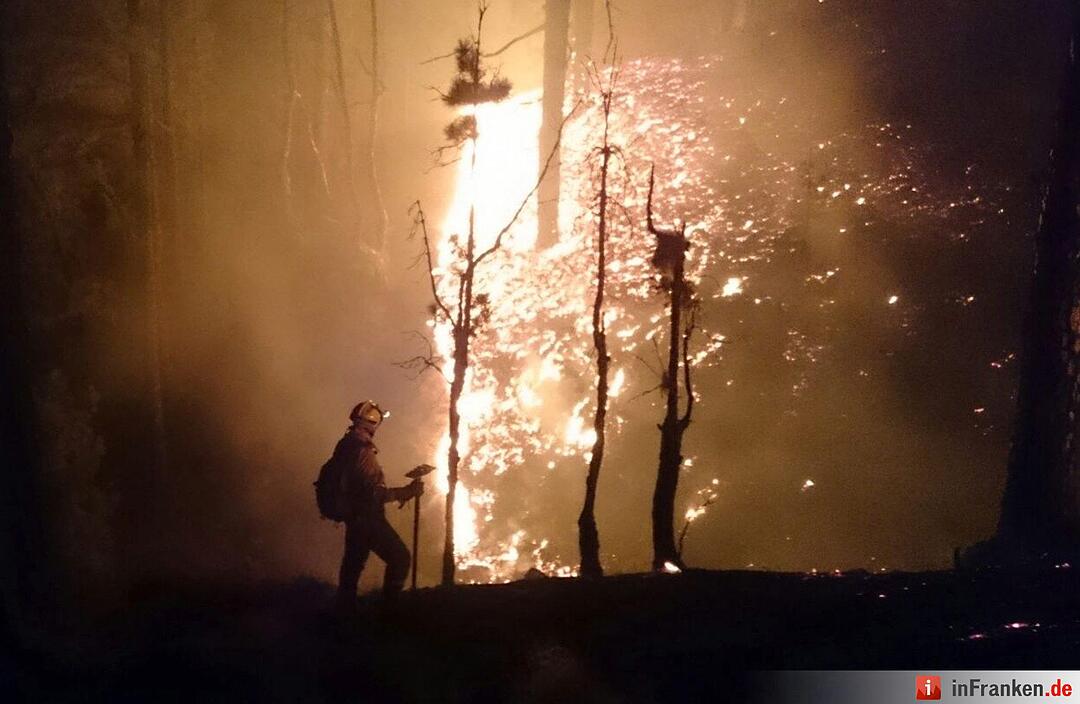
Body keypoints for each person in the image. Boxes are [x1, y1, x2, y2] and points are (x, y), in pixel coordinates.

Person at [333, 400, 424, 608]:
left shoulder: (346, 444)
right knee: (400, 558)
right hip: (367, 519)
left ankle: (343, 616)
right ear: (372, 423)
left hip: (354, 517)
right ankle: (389, 612)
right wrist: (406, 492)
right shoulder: (362, 450)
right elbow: (373, 494)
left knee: (352, 567)